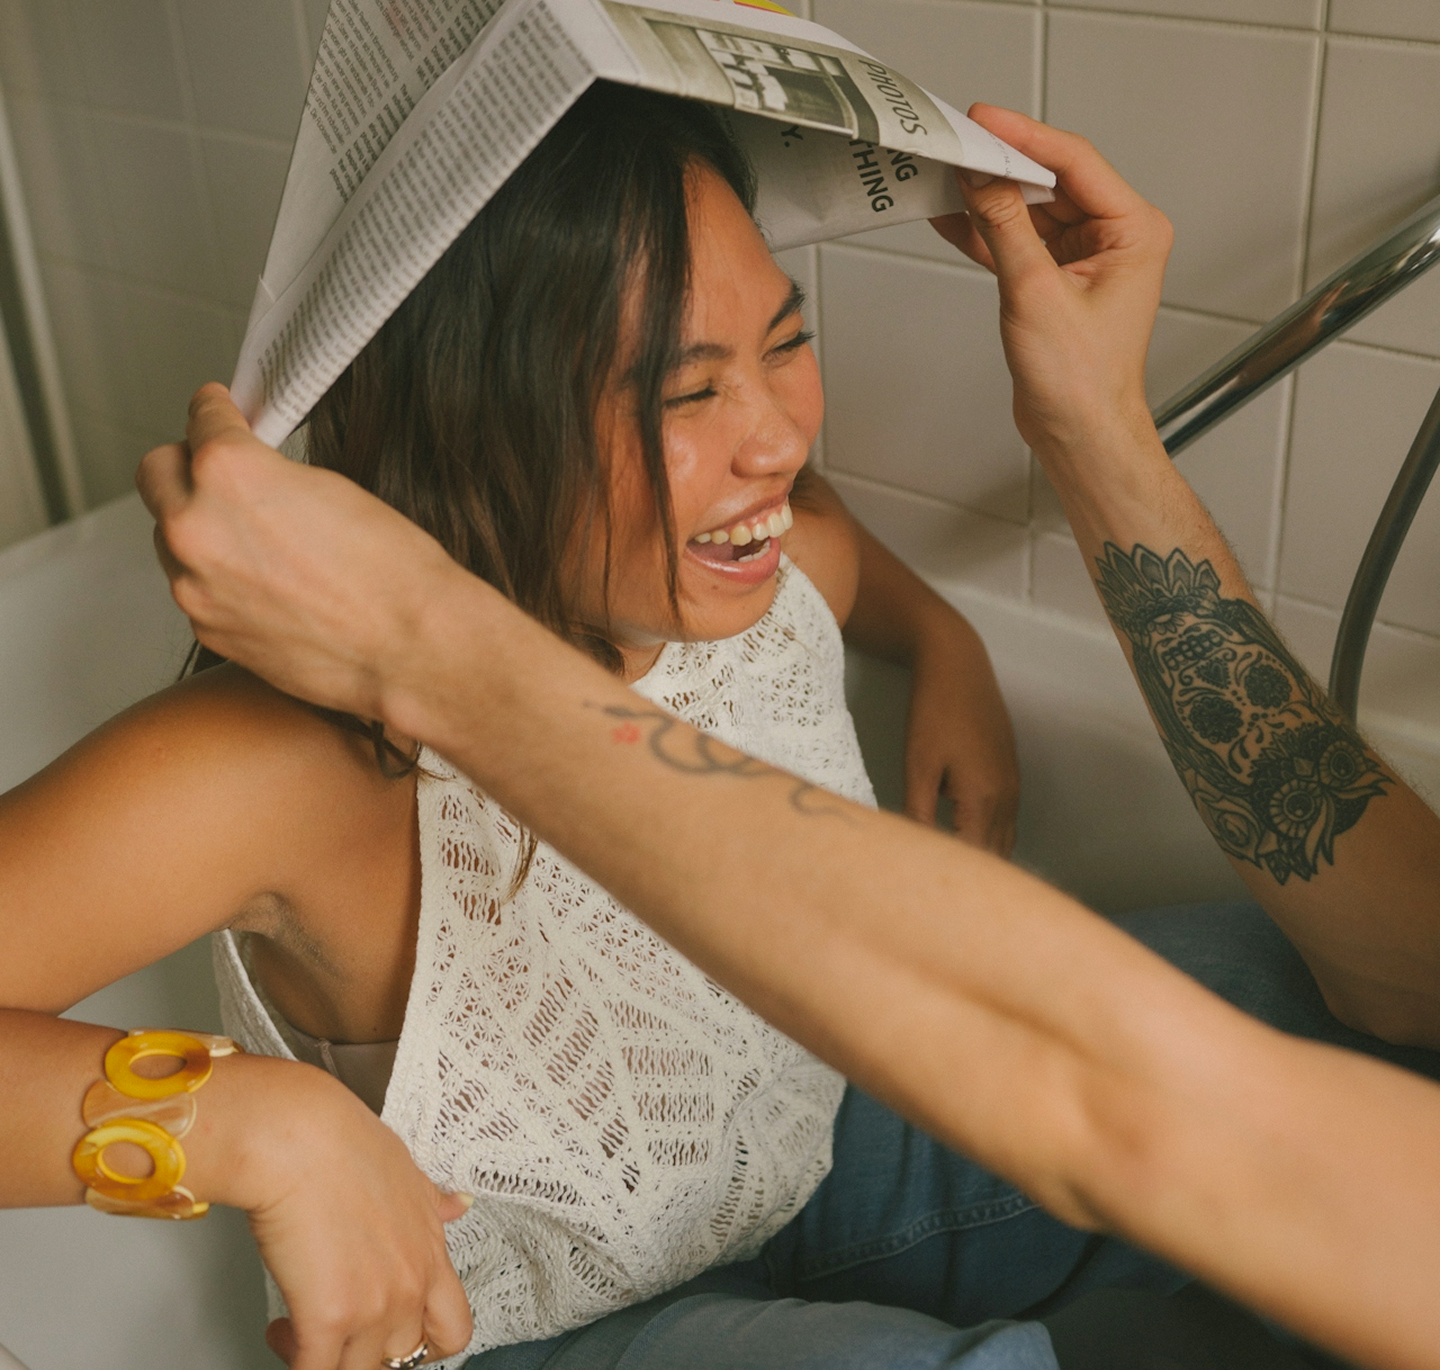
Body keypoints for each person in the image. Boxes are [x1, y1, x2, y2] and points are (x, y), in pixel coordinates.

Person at [133, 108, 1440, 1370]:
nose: (779, 439)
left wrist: (441, 649)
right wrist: (953, 633)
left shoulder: (748, 571)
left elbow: (1121, 1104)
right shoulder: (286, 765)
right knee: (1268, 980)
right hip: (517, 1321)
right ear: (481, 420)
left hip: (783, 1161)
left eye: (782, 347)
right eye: (687, 391)